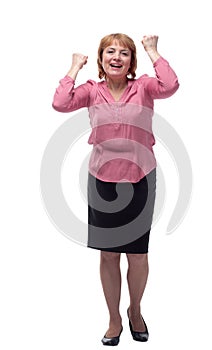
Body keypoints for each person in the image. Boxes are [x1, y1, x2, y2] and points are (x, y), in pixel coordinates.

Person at [52, 33, 179, 346]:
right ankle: (114, 318)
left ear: (131, 62)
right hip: (102, 182)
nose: (117, 57)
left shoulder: (145, 87)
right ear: (101, 58)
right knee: (109, 255)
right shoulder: (91, 91)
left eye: (124, 53)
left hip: (140, 179)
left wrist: (153, 51)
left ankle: (135, 311)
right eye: (110, 51)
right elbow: (59, 103)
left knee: (137, 256)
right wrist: (73, 68)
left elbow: (171, 85)